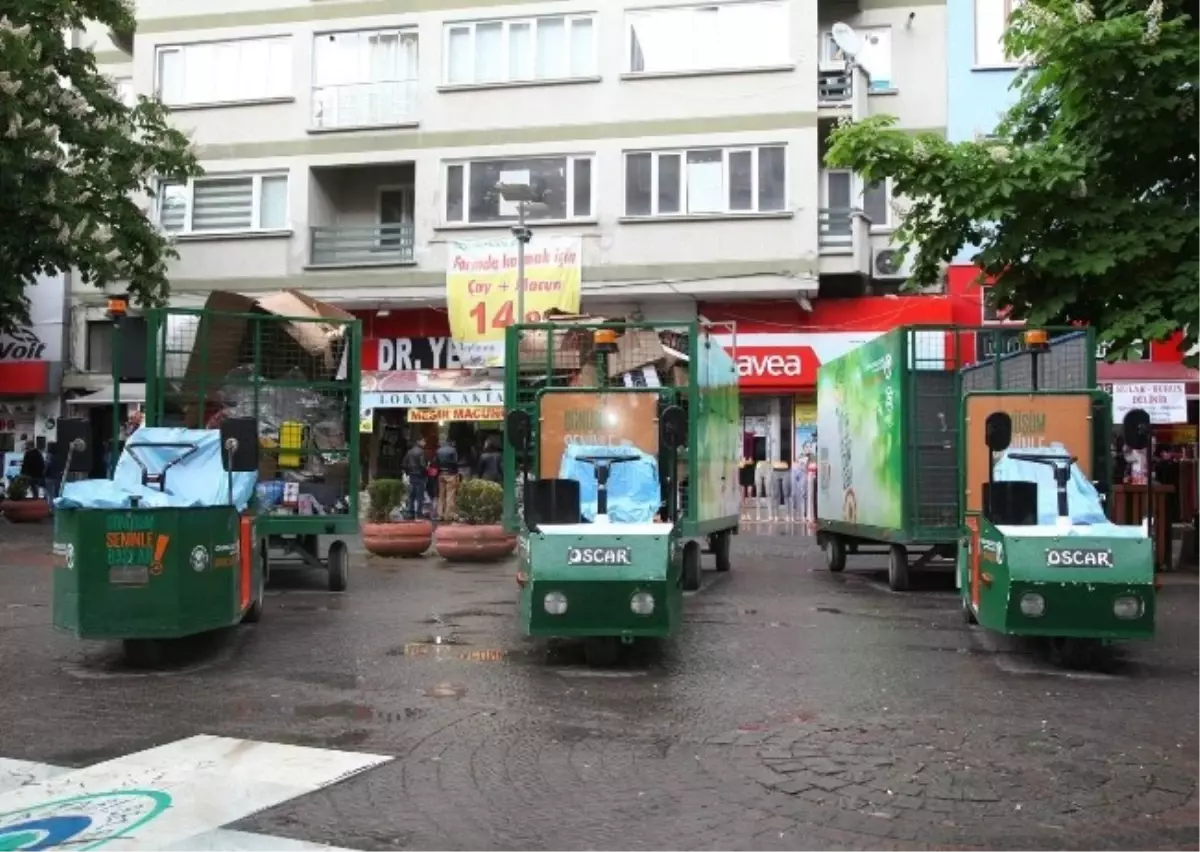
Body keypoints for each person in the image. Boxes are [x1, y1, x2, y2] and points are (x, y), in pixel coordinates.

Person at [402, 438, 427, 520]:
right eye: (423, 441)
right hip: (420, 476)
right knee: (420, 496)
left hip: (412, 476)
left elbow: (404, 464)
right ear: (418, 441)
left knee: (411, 495)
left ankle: (410, 512)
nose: (425, 443)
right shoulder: (421, 452)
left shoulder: (409, 452)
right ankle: (419, 513)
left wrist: (408, 472)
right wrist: (425, 471)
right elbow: (423, 464)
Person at [435, 440, 460, 521]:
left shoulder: (438, 450)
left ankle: (440, 514)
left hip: (441, 474)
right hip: (451, 474)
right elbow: (456, 462)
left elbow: (435, 462)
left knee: (441, 495)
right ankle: (448, 514)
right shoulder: (453, 450)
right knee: (450, 495)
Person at [44, 442, 63, 510]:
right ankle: (56, 508)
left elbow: (47, 466)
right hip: (57, 477)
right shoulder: (59, 456)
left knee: (49, 494)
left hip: (49, 477)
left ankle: (51, 508)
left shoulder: (49, 456)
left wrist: (44, 473)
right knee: (56, 494)